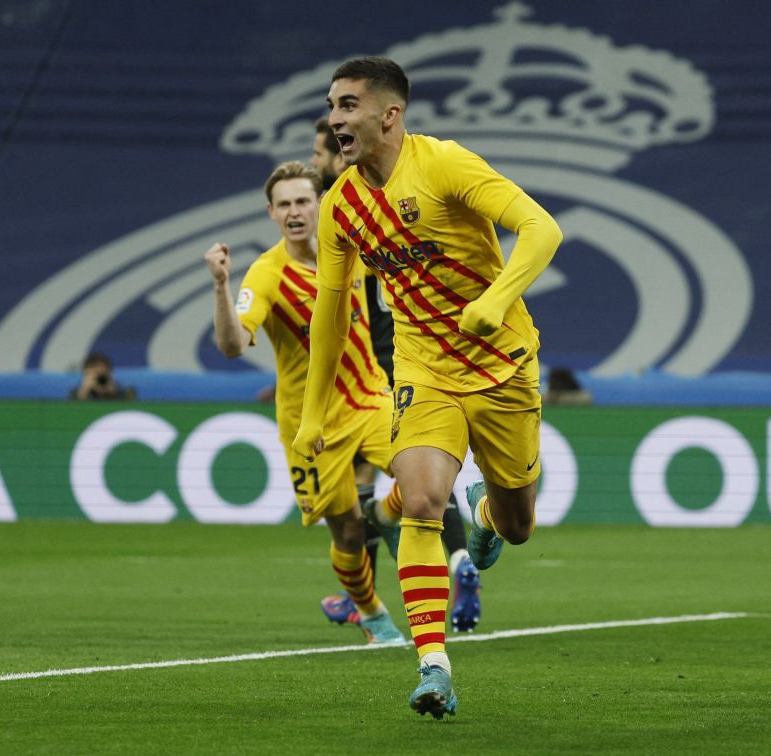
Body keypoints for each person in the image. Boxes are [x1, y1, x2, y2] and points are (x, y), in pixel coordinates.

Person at [293, 57, 563, 719]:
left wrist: (496, 301)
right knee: (420, 502)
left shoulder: (443, 164)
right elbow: (331, 312)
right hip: (422, 367)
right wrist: (311, 411)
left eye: (348, 104)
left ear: (390, 114)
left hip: (501, 363)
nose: (335, 118)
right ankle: (433, 665)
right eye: (332, 105)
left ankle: (491, 518)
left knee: (520, 525)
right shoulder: (343, 206)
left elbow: (541, 229)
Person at [204, 160, 406, 645]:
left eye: (303, 201)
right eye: (285, 204)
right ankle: (372, 613)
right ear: (271, 212)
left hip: (369, 397)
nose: (295, 212)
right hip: (309, 427)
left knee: (419, 473)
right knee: (348, 536)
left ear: (319, 203)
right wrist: (220, 286)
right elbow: (232, 346)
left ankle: (388, 513)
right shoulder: (268, 274)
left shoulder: (352, 250)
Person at [312, 116, 483, 635]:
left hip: (380, 370)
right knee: (409, 487)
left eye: (323, 151)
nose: (322, 159)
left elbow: (336, 312)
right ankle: (451, 564)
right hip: (404, 360)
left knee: (384, 493)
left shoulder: (351, 217)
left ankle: (368, 608)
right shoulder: (375, 206)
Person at [69, 351, 135, 400]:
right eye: (94, 377)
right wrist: (83, 394)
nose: (99, 380)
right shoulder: (75, 393)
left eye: (101, 377)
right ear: (85, 375)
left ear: (110, 373)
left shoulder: (125, 392)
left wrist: (114, 394)